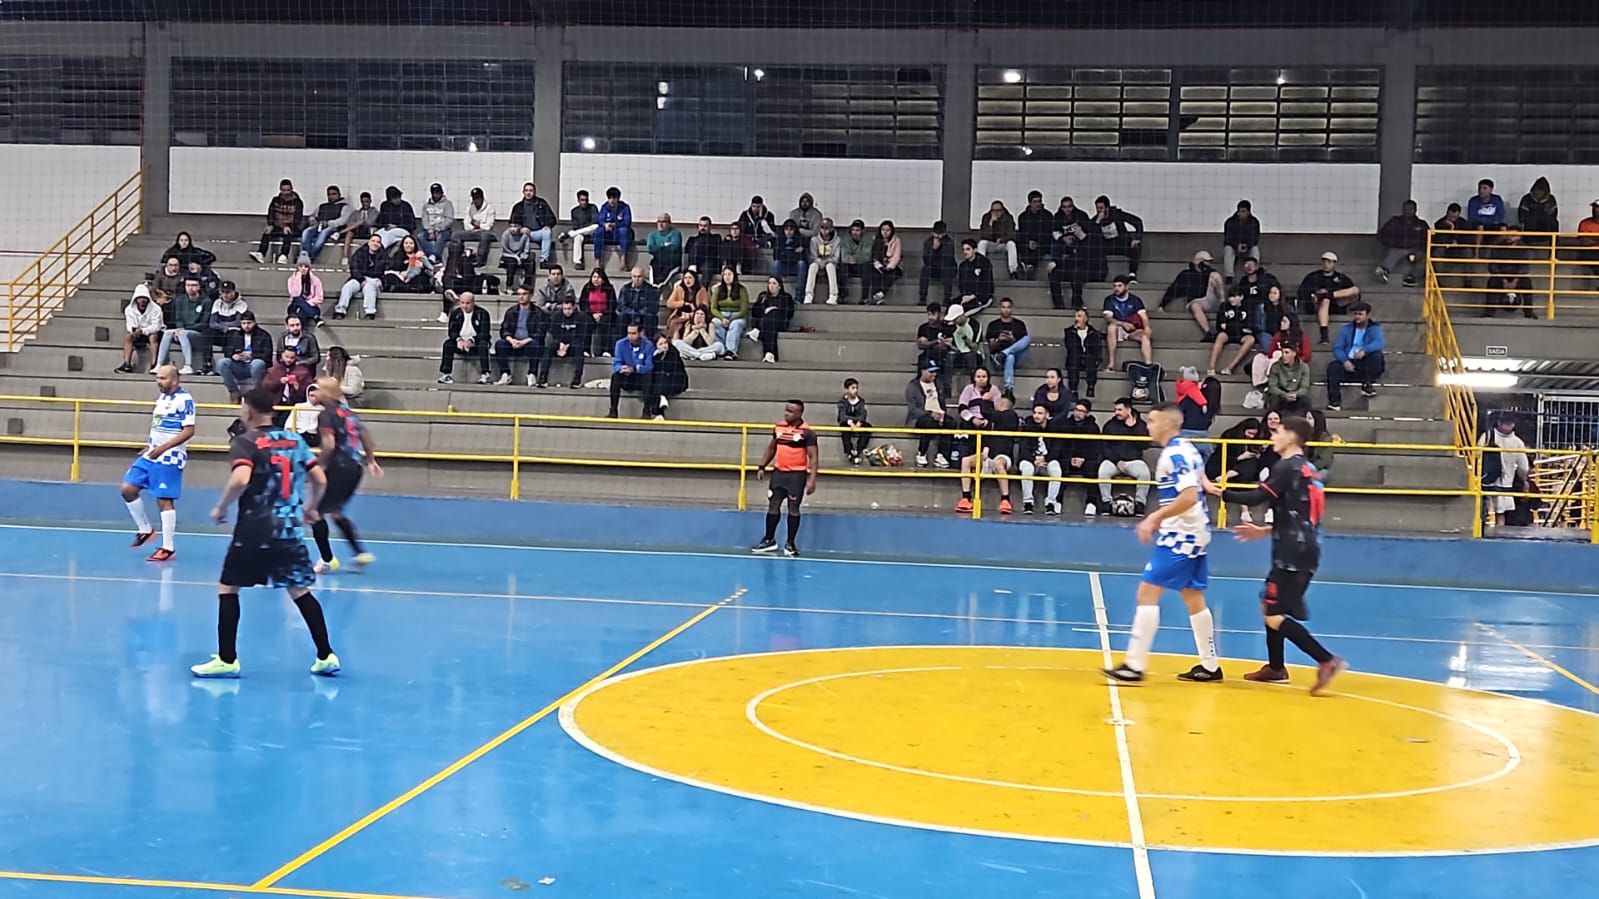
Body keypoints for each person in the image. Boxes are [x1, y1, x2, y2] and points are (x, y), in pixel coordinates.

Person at [191, 389, 339, 679]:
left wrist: (221, 506)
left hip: (254, 529)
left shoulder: (245, 442)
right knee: (299, 590)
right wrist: (311, 508)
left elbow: (240, 478)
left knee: (228, 588)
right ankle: (326, 655)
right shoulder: (295, 440)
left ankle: (227, 659)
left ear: (248, 410)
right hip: (289, 529)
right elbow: (320, 478)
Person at [1205, 414, 1347, 693]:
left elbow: (1258, 496)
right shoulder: (1308, 470)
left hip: (1292, 551)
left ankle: (1326, 660)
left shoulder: (1286, 466)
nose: (1272, 436)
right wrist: (1266, 530)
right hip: (1305, 546)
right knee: (1268, 603)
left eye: (1277, 431)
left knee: (1273, 614)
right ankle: (1276, 667)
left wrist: (1218, 491)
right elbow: (1304, 514)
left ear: (1291, 436)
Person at [1103, 402, 1223, 684]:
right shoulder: (1186, 447)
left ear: (1168, 423)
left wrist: (1154, 517)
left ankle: (1134, 665)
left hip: (1182, 534)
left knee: (1147, 592)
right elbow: (1196, 474)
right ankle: (1210, 665)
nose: (1148, 425)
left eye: (1152, 421)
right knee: (1193, 596)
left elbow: (1188, 496)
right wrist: (1205, 483)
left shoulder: (1174, 454)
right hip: (1195, 531)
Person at [121, 365, 195, 562]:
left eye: (163, 378)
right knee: (128, 488)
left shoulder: (184, 400)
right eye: (157, 378)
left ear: (175, 380)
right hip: (152, 453)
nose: (158, 381)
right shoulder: (162, 398)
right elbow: (159, 426)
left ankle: (168, 547)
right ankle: (145, 530)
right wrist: (151, 446)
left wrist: (163, 448)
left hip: (170, 456)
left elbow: (189, 430)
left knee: (164, 499)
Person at [309, 376, 382, 573]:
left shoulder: (326, 416)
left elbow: (329, 445)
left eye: (317, 389)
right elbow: (365, 436)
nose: (314, 393)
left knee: (314, 512)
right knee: (335, 511)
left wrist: (320, 466)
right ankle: (360, 553)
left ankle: (327, 560)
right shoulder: (349, 413)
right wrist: (371, 460)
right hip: (355, 468)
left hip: (337, 467)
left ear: (327, 392)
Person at [752, 400, 819, 557]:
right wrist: (762, 466)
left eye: (790, 411)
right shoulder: (779, 427)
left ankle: (790, 543)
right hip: (778, 474)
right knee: (773, 506)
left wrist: (812, 479)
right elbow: (772, 448)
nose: (786, 413)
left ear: (800, 413)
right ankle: (769, 540)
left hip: (796, 476)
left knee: (793, 508)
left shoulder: (807, 432)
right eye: (786, 410)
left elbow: (813, 457)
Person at [836, 378, 872, 465]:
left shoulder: (860, 401)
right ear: (846, 389)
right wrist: (850, 422)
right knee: (844, 430)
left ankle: (859, 449)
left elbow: (863, 413)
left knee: (868, 427)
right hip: (847, 423)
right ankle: (849, 451)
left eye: (856, 388)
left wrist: (859, 422)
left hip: (857, 422)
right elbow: (842, 415)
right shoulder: (842, 402)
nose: (855, 390)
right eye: (853, 388)